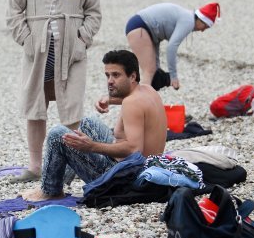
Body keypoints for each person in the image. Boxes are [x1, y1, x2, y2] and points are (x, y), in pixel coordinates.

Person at [7, 0, 102, 183]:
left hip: (71, 52)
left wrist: (82, 40)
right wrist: (26, 38)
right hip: (36, 50)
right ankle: (36, 166)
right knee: (35, 107)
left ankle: (72, 166)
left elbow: (94, 12)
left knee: (71, 108)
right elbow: (14, 10)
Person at [21, 50, 167, 202]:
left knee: (57, 134)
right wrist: (110, 100)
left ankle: (50, 190)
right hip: (144, 169)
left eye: (116, 75)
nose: (110, 81)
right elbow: (135, 103)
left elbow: (134, 149)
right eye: (107, 75)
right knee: (87, 122)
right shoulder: (148, 91)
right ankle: (59, 179)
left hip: (123, 179)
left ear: (132, 76)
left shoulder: (131, 103)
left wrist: (91, 146)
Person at [125, 2, 220, 91]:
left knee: (154, 72)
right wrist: (173, 77)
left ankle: (148, 102)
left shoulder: (186, 16)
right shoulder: (188, 21)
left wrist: (158, 68)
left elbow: (157, 38)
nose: (203, 30)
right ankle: (141, 104)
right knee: (149, 71)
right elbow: (172, 47)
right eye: (205, 27)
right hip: (139, 27)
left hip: (144, 28)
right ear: (202, 20)